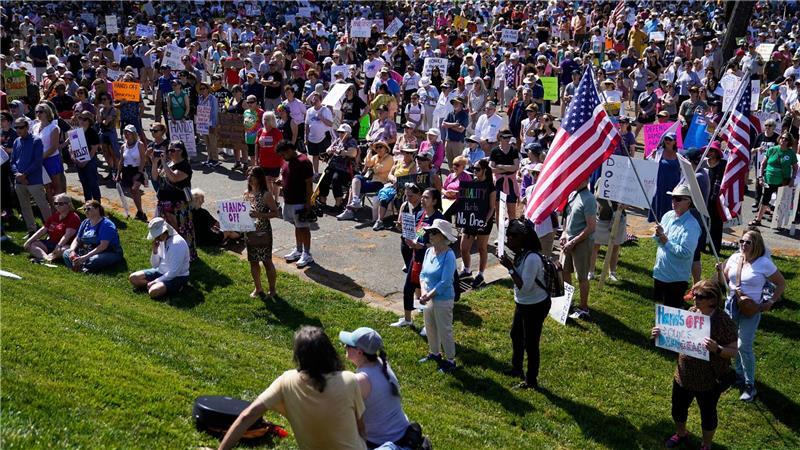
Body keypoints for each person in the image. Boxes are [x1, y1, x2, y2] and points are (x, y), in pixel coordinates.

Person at [218, 326, 366, 450]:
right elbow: (361, 428)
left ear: (299, 356)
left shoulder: (286, 381)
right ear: (329, 352)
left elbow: (247, 415)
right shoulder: (349, 379)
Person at [652, 280, 737, 450]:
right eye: (694, 294)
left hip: (708, 379)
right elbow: (677, 335)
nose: (694, 299)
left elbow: (733, 350)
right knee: (678, 408)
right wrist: (660, 333)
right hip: (683, 374)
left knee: (708, 414)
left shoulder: (723, 321)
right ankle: (681, 433)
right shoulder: (691, 312)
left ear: (711, 300)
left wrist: (717, 349)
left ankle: (706, 444)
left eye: (699, 296)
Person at [720, 230, 786, 402]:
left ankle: (750, 385)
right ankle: (738, 374)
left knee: (744, 346)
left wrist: (771, 301)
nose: (743, 244)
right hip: (732, 306)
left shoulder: (764, 263)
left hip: (751, 309)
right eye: (741, 241)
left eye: (747, 242)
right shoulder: (735, 258)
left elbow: (781, 283)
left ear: (756, 245)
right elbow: (725, 280)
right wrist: (720, 271)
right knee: (732, 342)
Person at [498, 219, 551, 390]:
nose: (508, 239)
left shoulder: (532, 258)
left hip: (535, 305)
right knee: (516, 334)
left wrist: (510, 268)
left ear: (523, 239)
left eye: (513, 236)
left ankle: (531, 380)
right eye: (508, 235)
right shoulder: (522, 254)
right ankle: (516, 369)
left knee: (531, 343)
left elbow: (526, 287)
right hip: (523, 303)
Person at [339, 327, 413, 449]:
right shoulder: (381, 363)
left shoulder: (362, 380)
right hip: (402, 432)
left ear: (359, 352)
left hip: (381, 441)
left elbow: (346, 414)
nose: (344, 347)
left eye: (348, 345)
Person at [392, 187, 444, 328]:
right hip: (416, 258)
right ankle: (408, 319)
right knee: (408, 288)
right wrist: (409, 235)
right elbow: (418, 234)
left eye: (426, 197)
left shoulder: (438, 219)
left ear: (434, 201)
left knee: (429, 294)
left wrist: (424, 246)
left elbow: (442, 243)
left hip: (431, 261)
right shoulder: (420, 214)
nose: (422, 199)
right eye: (423, 197)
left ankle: (430, 326)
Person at [418, 219, 459, 374]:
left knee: (444, 330)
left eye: (434, 232)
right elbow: (423, 274)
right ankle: (434, 353)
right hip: (427, 297)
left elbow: (446, 281)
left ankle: (450, 360)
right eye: (430, 232)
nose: (430, 235)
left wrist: (429, 294)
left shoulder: (449, 256)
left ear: (443, 235)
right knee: (430, 327)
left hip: (442, 299)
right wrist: (423, 292)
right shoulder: (429, 251)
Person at [652, 185, 701, 309]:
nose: (674, 202)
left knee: (671, 314)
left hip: (675, 279)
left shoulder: (692, 225)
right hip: (660, 273)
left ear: (688, 201)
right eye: (673, 198)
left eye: (678, 199)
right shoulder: (668, 215)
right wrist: (658, 235)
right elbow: (659, 241)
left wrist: (666, 241)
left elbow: (686, 252)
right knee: (660, 311)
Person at [152, 140, 197, 261]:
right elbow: (155, 177)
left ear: (181, 151)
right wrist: (155, 162)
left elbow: (174, 178)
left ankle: (185, 256)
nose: (169, 153)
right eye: (168, 150)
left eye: (172, 150)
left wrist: (163, 162)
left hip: (177, 205)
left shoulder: (184, 166)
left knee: (180, 231)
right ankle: (168, 253)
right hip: (164, 202)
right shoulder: (168, 163)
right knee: (166, 231)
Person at [128, 217, 191, 299]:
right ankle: (155, 286)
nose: (156, 238)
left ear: (165, 231)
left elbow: (174, 271)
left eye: (158, 235)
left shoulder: (177, 244)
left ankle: (177, 286)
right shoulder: (162, 240)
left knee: (153, 292)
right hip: (160, 272)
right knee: (133, 278)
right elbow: (155, 265)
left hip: (177, 276)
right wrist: (155, 251)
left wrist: (156, 281)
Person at [10, 117, 52, 237]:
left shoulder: (36, 141)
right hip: (19, 180)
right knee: (25, 207)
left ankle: (51, 230)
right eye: (16, 127)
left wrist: (25, 174)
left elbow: (37, 161)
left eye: (21, 127)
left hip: (34, 180)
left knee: (43, 206)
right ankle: (31, 230)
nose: (18, 130)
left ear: (27, 127)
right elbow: (12, 161)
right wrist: (17, 174)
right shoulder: (16, 141)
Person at [562, 178, 596, 320]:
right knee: (564, 271)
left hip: (581, 243)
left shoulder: (589, 199)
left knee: (581, 276)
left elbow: (591, 227)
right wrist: (564, 233)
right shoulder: (573, 194)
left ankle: (584, 307)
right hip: (569, 240)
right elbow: (567, 217)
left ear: (585, 178)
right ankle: (567, 301)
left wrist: (574, 241)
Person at [458, 158, 495, 288]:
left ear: (484, 170)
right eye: (473, 169)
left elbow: (492, 207)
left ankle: (480, 274)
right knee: (463, 248)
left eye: (477, 169)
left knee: (481, 248)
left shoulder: (490, 186)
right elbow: (465, 202)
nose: (474, 171)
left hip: (483, 222)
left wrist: (484, 221)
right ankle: (467, 270)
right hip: (469, 220)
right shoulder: (471, 183)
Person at [277, 140, 314, 268]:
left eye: (283, 154)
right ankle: (298, 250)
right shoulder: (288, 161)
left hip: (300, 202)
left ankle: (307, 254)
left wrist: (308, 202)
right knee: (297, 226)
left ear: (290, 150)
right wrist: (281, 181)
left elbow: (309, 183)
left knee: (303, 227)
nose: (282, 157)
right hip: (289, 201)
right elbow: (284, 174)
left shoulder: (304, 162)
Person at [245, 167, 280, 299]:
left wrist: (259, 214)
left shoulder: (266, 194)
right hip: (250, 232)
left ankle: (272, 290)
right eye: (248, 175)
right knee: (253, 261)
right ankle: (258, 288)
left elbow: (275, 213)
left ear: (259, 178)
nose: (249, 178)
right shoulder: (246, 194)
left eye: (252, 175)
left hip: (263, 232)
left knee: (266, 261)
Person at [751, 132, 798, 227]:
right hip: (770, 180)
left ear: (789, 142)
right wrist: (760, 177)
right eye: (782, 138)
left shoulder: (791, 153)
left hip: (783, 181)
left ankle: (778, 223)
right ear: (779, 138)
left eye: (786, 139)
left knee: (781, 202)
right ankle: (758, 219)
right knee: (765, 200)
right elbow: (763, 164)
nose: (783, 140)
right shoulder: (772, 150)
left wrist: (793, 179)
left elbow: (795, 167)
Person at [63, 200, 124, 273]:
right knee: (66, 252)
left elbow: (103, 246)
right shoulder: (85, 222)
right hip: (88, 251)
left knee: (93, 260)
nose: (86, 211)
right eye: (84, 209)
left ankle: (78, 266)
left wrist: (85, 257)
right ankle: (80, 266)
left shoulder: (106, 225)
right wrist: (72, 250)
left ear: (97, 209)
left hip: (108, 252)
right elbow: (77, 239)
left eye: (88, 209)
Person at [23, 193, 80, 263]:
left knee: (65, 250)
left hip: (65, 244)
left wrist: (59, 245)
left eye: (61, 204)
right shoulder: (55, 215)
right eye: (56, 203)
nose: (57, 206)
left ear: (68, 204)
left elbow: (67, 236)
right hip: (51, 242)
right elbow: (43, 230)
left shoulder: (73, 217)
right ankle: (46, 258)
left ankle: (47, 257)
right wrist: (29, 241)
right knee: (32, 245)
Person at [317, 123, 358, 210]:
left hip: (344, 168)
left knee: (336, 179)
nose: (340, 134)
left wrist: (340, 152)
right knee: (324, 178)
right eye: (339, 132)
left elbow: (353, 153)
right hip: (333, 166)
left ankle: (338, 204)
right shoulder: (337, 140)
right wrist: (330, 150)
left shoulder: (351, 141)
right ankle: (322, 201)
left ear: (348, 133)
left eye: (342, 132)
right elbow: (328, 150)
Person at [117, 125, 148, 221]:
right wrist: (118, 174)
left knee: (135, 189)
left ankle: (140, 211)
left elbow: (143, 159)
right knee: (132, 192)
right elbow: (121, 161)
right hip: (127, 170)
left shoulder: (140, 144)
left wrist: (140, 172)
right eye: (125, 132)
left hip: (137, 169)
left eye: (128, 132)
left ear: (133, 134)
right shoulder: (123, 146)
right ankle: (140, 212)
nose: (126, 134)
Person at [489, 129, 520, 221]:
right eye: (505, 137)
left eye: (509, 137)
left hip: (511, 183)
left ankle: (512, 233)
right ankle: (500, 233)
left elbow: (515, 167)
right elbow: (491, 168)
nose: (507, 139)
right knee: (499, 211)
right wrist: (508, 168)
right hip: (499, 183)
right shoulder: (495, 151)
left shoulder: (514, 150)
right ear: (500, 138)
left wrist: (501, 166)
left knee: (512, 211)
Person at [304, 92, 334, 178]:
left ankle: (328, 172)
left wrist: (322, 118)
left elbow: (330, 124)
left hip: (324, 137)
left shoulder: (326, 110)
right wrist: (306, 138)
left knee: (326, 155)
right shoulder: (309, 111)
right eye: (313, 99)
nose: (315, 101)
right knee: (315, 155)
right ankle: (316, 173)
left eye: (317, 99)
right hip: (312, 138)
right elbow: (307, 125)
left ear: (321, 101)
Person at [255, 111, 284, 199]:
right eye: (264, 119)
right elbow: (257, 145)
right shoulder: (260, 131)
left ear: (272, 121)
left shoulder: (277, 132)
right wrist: (256, 159)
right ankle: (270, 199)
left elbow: (281, 147)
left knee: (275, 182)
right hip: (263, 161)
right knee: (267, 181)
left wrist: (283, 162)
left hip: (275, 162)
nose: (265, 121)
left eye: (267, 119)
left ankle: (276, 199)